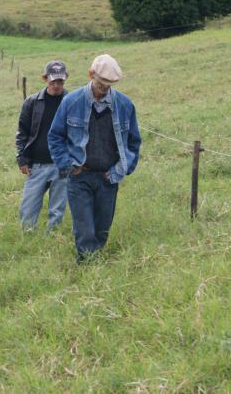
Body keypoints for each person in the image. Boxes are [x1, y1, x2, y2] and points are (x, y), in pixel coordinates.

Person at [48, 54, 141, 262]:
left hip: (109, 177)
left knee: (102, 228)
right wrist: (68, 165)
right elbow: (55, 136)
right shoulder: (71, 102)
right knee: (84, 228)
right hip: (80, 175)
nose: (104, 89)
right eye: (101, 83)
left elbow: (134, 142)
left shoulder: (125, 105)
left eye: (109, 85)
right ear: (91, 75)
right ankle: (87, 266)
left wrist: (122, 169)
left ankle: (95, 262)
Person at [16, 61, 69, 232]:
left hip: (62, 165)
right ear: (45, 78)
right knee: (28, 208)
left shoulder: (71, 101)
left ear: (65, 79)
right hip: (37, 165)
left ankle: (54, 238)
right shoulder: (32, 102)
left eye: (60, 81)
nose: (56, 85)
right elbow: (22, 132)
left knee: (57, 210)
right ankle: (27, 238)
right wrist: (22, 158)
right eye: (52, 81)